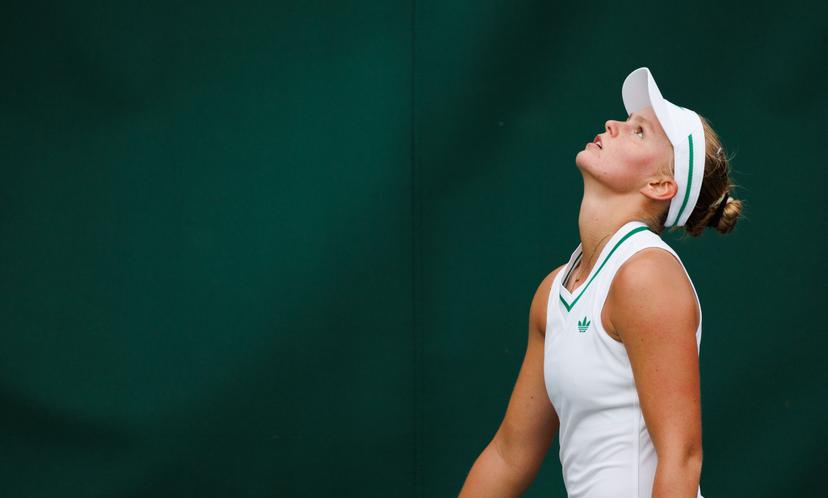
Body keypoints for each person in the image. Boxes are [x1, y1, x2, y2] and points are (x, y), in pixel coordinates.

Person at [458, 67, 743, 498]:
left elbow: (681, 460)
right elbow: (508, 455)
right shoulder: (554, 293)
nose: (613, 124)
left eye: (639, 132)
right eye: (626, 122)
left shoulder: (646, 275)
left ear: (661, 184)